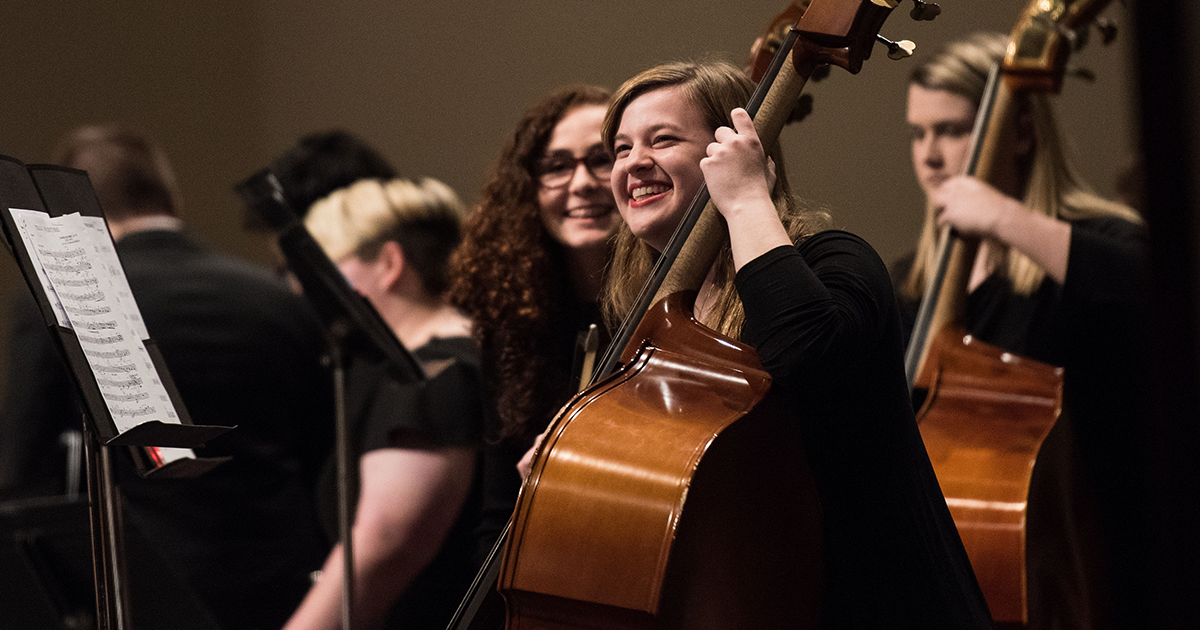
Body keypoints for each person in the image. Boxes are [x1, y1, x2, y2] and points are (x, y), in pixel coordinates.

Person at [595, 59, 992, 629]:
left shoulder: (836, 261)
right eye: (621, 148)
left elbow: (807, 356)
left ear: (733, 151)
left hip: (876, 601)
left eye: (662, 140)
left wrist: (746, 200)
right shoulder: (651, 318)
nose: (634, 162)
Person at [0, 124, 335, 629]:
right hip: (277, 585)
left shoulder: (55, 302)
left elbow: (26, 469)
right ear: (171, 197)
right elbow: (322, 454)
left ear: (69, 216)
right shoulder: (277, 300)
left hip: (136, 585)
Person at [894, 33, 1148, 630]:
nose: (930, 155)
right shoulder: (910, 283)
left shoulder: (1101, 241)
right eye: (918, 133)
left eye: (952, 131)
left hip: (1101, 559)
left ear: (1022, 131)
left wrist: (1006, 220)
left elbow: (1157, 297)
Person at [283, 177, 485, 630]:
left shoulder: (435, 372)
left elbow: (385, 545)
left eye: (326, 271)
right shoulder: (453, 356)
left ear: (389, 263)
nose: (304, 293)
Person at [446, 85, 618, 560]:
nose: (582, 183)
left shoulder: (675, 316)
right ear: (528, 188)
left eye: (602, 159)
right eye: (557, 166)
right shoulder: (514, 329)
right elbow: (499, 511)